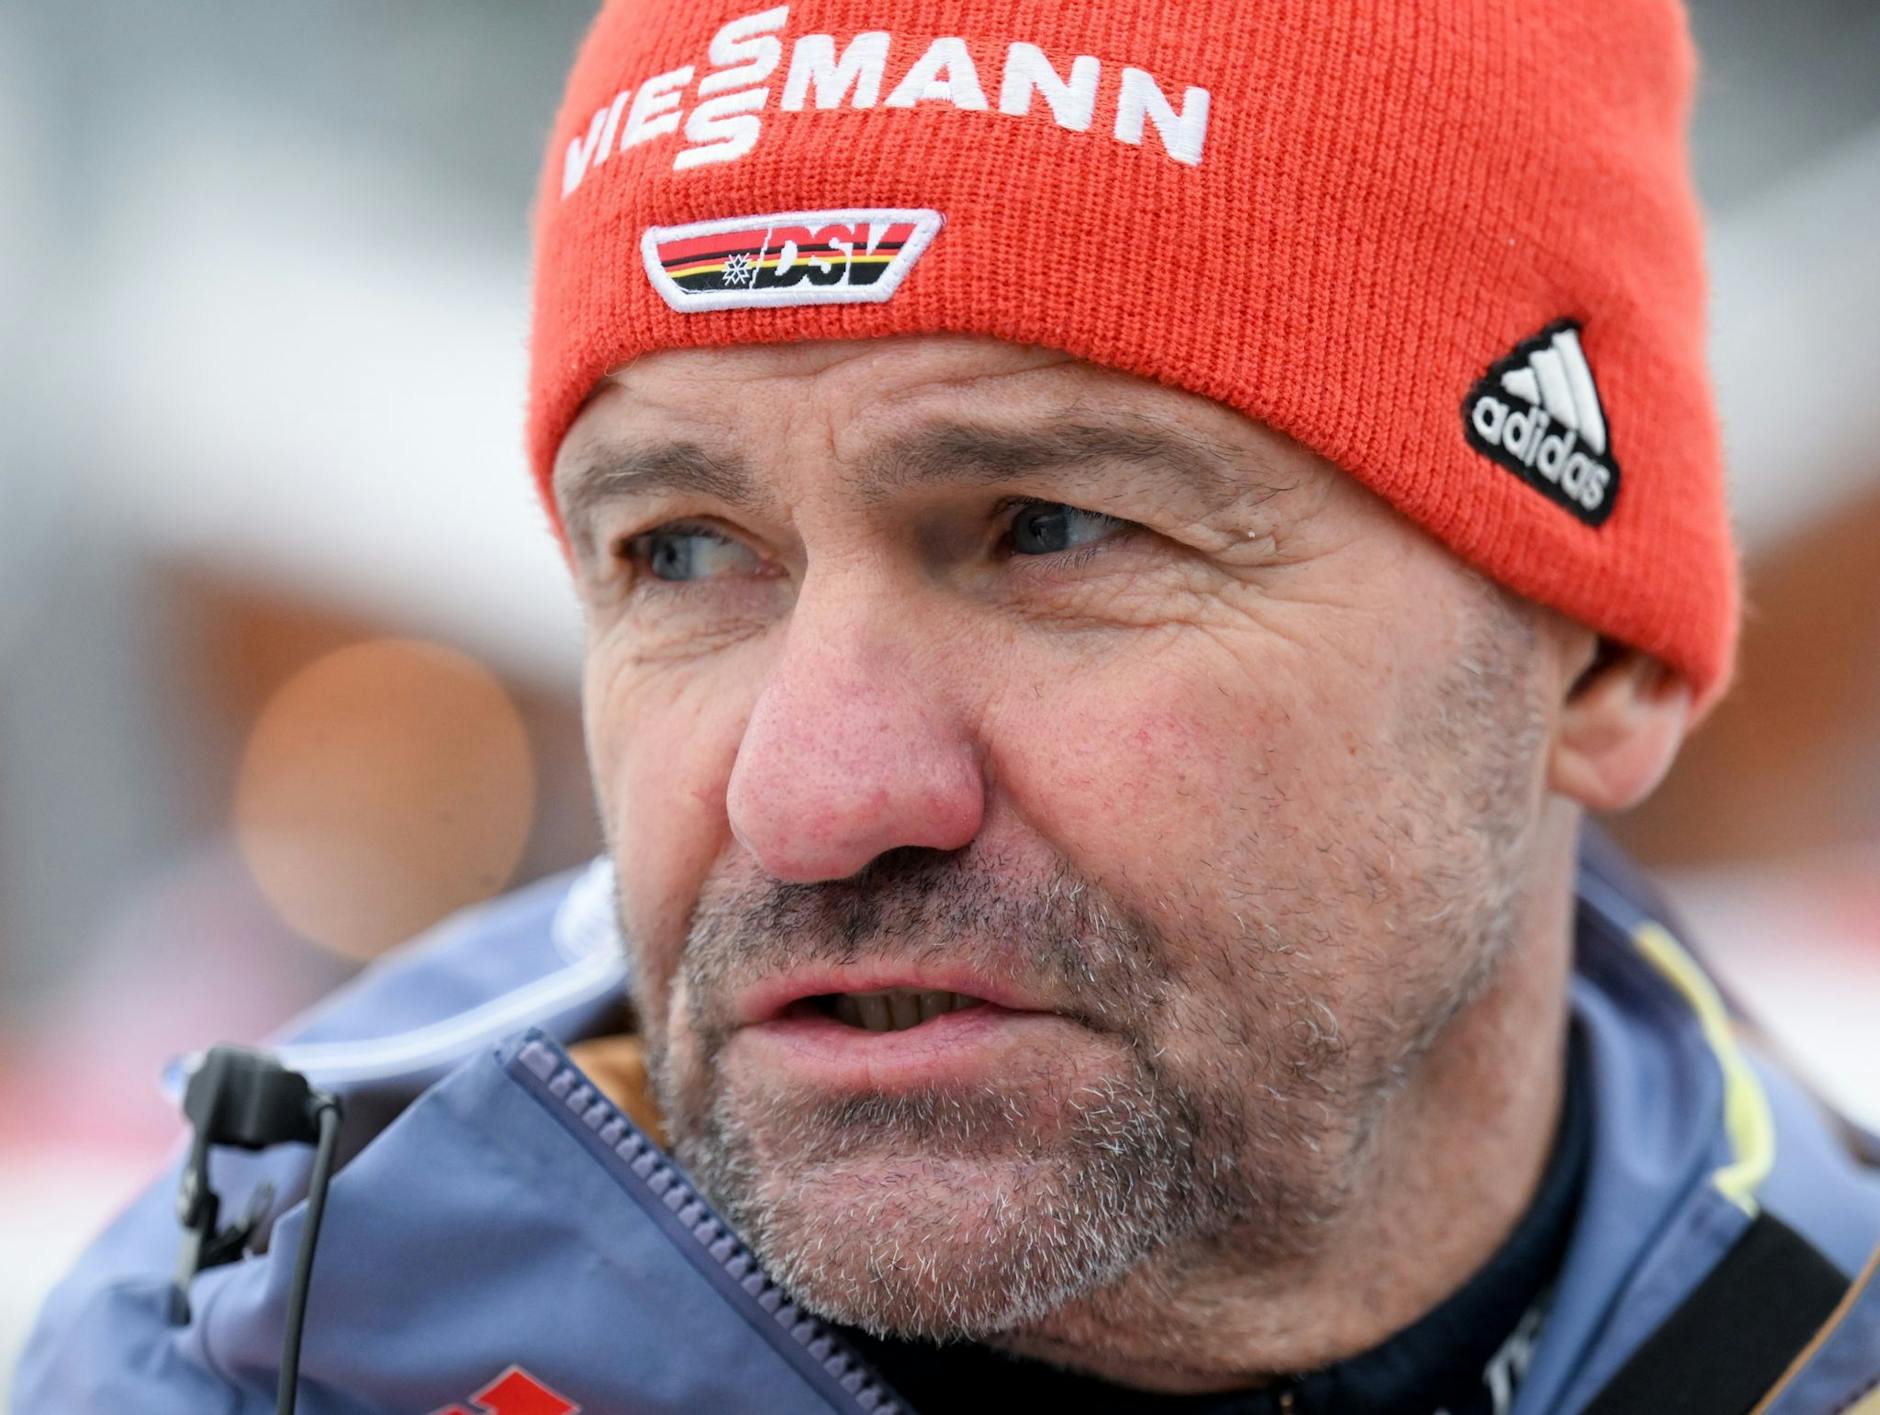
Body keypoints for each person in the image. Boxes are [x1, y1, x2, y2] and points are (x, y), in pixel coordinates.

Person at [17, 2, 1880, 1412]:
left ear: (1599, 654)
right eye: (681, 554)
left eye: (1050, 528)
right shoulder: (234, 1367)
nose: (813, 794)